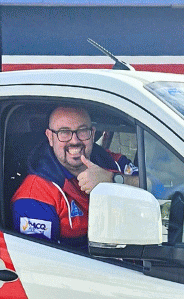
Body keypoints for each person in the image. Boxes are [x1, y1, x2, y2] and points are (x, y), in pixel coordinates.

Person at [11, 104, 137, 246]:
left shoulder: (112, 162)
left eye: (82, 131)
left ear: (93, 134)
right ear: (50, 137)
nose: (75, 141)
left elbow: (155, 186)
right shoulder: (35, 194)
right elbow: (41, 262)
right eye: (64, 132)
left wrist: (112, 179)